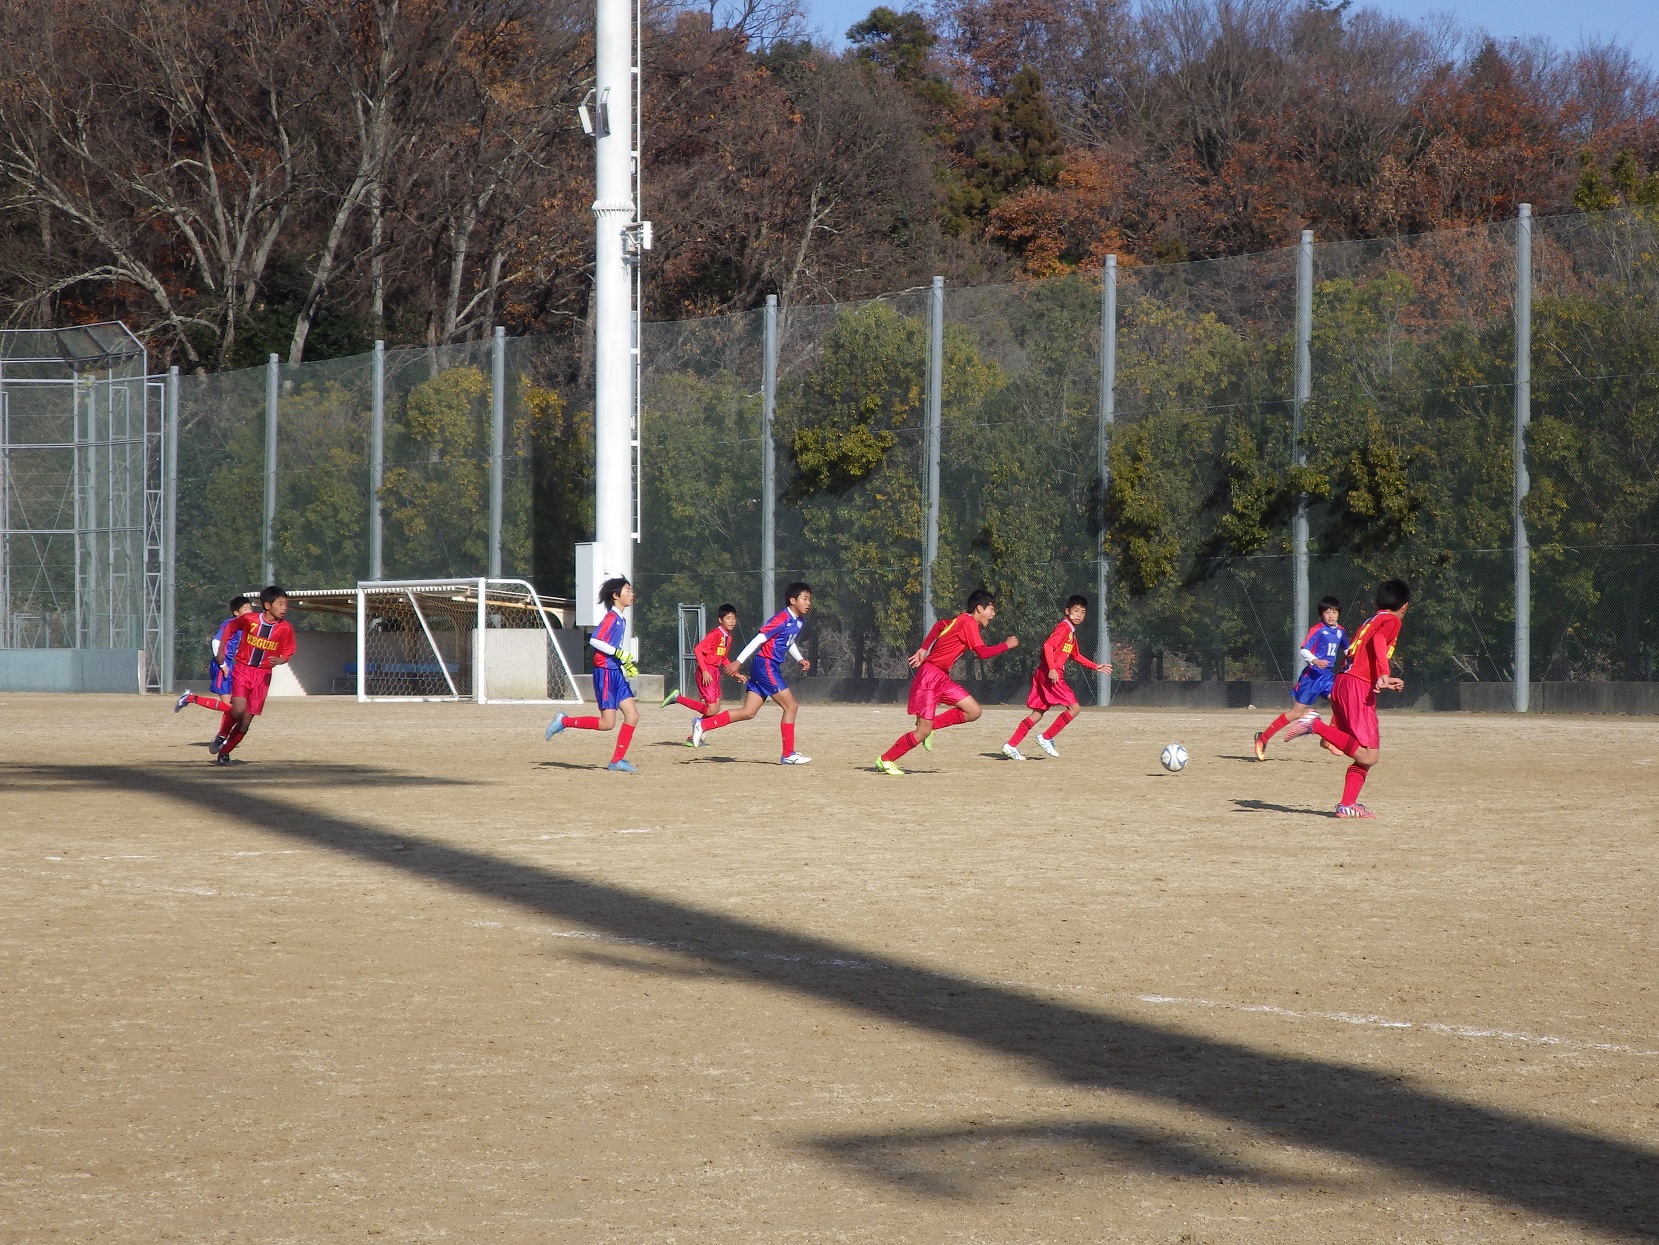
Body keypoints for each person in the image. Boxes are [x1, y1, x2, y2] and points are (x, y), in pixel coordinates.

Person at [1284, 579, 1411, 818]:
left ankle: (1347, 804)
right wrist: (1384, 673)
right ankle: (1315, 724)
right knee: (1369, 754)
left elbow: (1363, 653)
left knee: (1357, 753)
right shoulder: (1392, 620)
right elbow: (1377, 642)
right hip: (1356, 687)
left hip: (1344, 681)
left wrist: (1381, 678)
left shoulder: (1372, 619)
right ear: (1404, 606)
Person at [877, 589, 1019, 776]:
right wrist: (1006, 645)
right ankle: (886, 759)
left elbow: (938, 626)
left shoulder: (961, 620)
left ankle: (931, 726)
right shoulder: (968, 623)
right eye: (991, 609)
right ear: (979, 608)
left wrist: (924, 648)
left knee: (973, 711)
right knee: (922, 733)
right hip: (930, 677)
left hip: (941, 678)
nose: (993, 614)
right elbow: (982, 653)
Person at [691, 582, 813, 764]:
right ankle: (788, 754)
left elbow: (788, 641)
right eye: (805, 598)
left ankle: (703, 724)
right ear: (792, 600)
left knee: (748, 712)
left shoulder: (799, 620)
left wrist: (799, 658)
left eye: (809, 599)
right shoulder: (781, 618)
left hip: (765, 666)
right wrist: (738, 662)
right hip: (766, 665)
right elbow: (759, 639)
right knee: (791, 706)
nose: (808, 602)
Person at [545, 578, 643, 773]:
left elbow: (612, 647)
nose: (632, 594)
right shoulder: (611, 618)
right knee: (607, 723)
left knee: (632, 716)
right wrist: (618, 654)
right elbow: (595, 640)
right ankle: (564, 721)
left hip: (615, 672)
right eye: (628, 590)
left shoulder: (620, 619)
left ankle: (617, 760)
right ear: (616, 596)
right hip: (605, 673)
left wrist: (624, 663)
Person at [1003, 594, 1110, 761]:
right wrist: (1053, 669)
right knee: (1074, 708)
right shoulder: (1064, 627)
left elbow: (1076, 655)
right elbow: (1047, 645)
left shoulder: (1071, 634)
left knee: (1037, 713)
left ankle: (1011, 745)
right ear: (1067, 611)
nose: (1079, 615)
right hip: (1052, 675)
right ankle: (1046, 737)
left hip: (1043, 674)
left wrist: (1095, 666)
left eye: (1082, 612)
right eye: (1076, 611)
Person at [1254, 594, 1347, 761]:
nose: (1331, 615)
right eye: (1327, 612)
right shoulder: (1317, 629)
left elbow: (1347, 650)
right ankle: (1262, 738)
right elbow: (1304, 649)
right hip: (1311, 676)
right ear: (1321, 614)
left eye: (1334, 612)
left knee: (1340, 701)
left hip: (1327, 676)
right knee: (1296, 713)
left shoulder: (1340, 631)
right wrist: (1315, 660)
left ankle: (1328, 739)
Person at [214, 585, 296, 764]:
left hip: (263, 676)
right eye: (280, 604)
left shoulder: (285, 629)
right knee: (238, 709)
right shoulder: (249, 619)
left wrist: (280, 660)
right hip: (243, 669)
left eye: (286, 604)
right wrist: (221, 651)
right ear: (267, 605)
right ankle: (221, 735)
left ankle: (225, 753)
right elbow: (230, 629)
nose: (284, 608)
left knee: (245, 722)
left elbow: (287, 653)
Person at [175, 597, 254, 737]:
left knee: (235, 707)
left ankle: (222, 736)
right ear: (236, 612)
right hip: (222, 665)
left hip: (232, 665)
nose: (249, 611)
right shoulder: (231, 623)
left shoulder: (244, 626)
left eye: (250, 608)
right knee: (230, 707)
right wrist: (222, 664)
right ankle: (189, 698)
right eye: (245, 609)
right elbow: (216, 642)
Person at [663, 604, 740, 744]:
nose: (731, 621)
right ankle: (678, 698)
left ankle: (694, 736)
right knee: (712, 710)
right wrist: (704, 670)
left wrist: (735, 673)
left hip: (714, 672)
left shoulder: (728, 637)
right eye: (728, 618)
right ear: (720, 619)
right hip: (707, 671)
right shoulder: (716, 634)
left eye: (734, 618)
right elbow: (698, 649)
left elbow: (723, 658)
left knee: (715, 709)